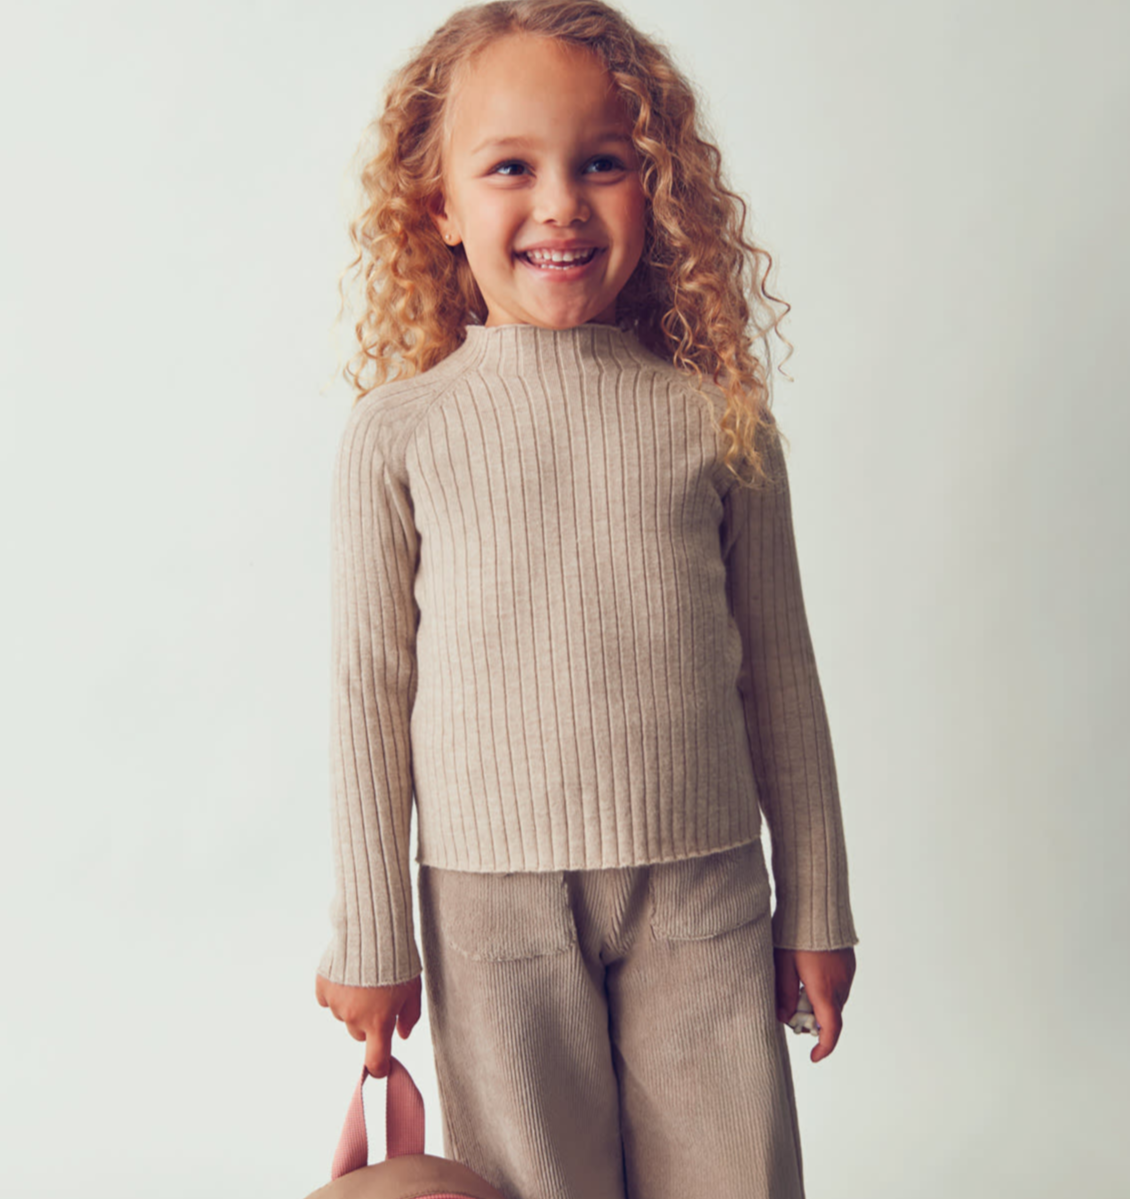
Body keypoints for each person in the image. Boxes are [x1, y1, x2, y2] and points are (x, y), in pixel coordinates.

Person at [313, 2, 859, 1195]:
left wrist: (814, 900)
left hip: (704, 883)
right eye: (510, 166)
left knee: (732, 1176)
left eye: (601, 163)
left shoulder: (715, 420)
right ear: (440, 209)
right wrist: (371, 931)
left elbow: (781, 669)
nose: (558, 201)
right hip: (487, 906)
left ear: (654, 191)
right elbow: (368, 691)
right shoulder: (397, 437)